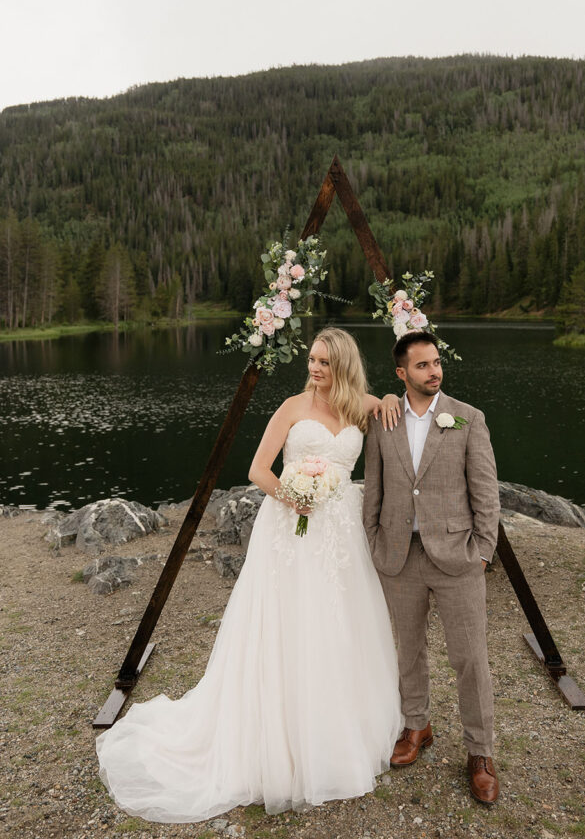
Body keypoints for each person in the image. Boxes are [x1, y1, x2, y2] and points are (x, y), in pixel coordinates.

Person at [96, 327, 403, 822]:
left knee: (340, 623)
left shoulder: (359, 406)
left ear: (343, 365)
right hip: (291, 526)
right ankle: (279, 741)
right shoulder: (291, 407)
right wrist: (294, 495)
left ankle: (337, 732)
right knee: (287, 623)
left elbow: (389, 400)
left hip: (341, 533)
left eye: (324, 362)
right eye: (311, 360)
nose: (314, 369)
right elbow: (259, 469)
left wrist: (390, 395)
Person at [363, 330, 501, 805]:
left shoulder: (467, 418)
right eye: (422, 365)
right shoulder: (383, 420)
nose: (434, 371)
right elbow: (373, 489)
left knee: (469, 659)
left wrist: (483, 550)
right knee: (409, 651)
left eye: (436, 362)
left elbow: (486, 491)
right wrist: (375, 541)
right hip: (399, 556)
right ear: (401, 373)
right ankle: (416, 727)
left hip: (458, 557)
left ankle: (480, 753)